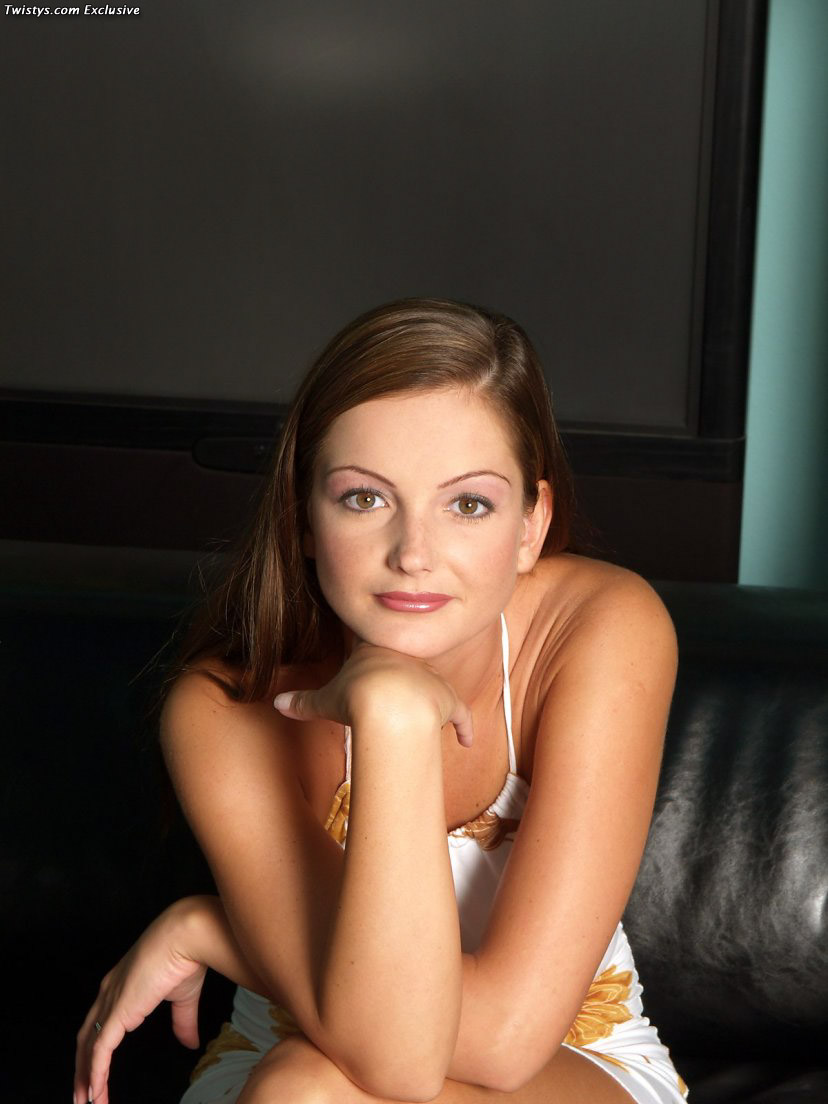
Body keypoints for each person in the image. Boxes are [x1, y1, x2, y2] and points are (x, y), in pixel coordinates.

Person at [74, 297, 687, 1104]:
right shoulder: (220, 709)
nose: (414, 554)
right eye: (365, 498)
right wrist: (394, 714)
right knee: (303, 1085)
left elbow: (504, 1045)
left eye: (468, 504)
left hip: (564, 1064)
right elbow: (395, 1061)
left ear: (531, 525)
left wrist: (214, 930)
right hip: (287, 1051)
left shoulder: (600, 626)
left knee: (306, 1092)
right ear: (303, 516)